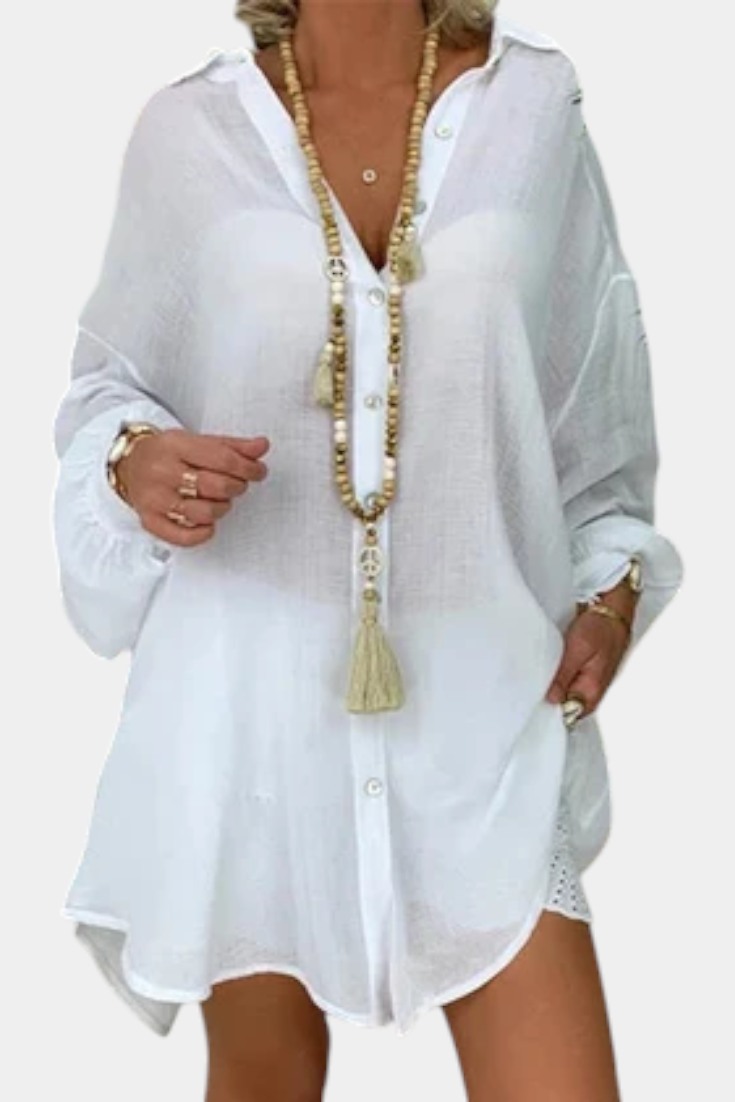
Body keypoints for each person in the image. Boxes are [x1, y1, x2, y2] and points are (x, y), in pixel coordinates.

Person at [51, 1, 683, 1099]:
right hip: (248, 713)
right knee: (263, 1077)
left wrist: (611, 588)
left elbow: (591, 404)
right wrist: (133, 462)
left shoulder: (531, 106)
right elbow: (109, 389)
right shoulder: (191, 130)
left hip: (485, 714)